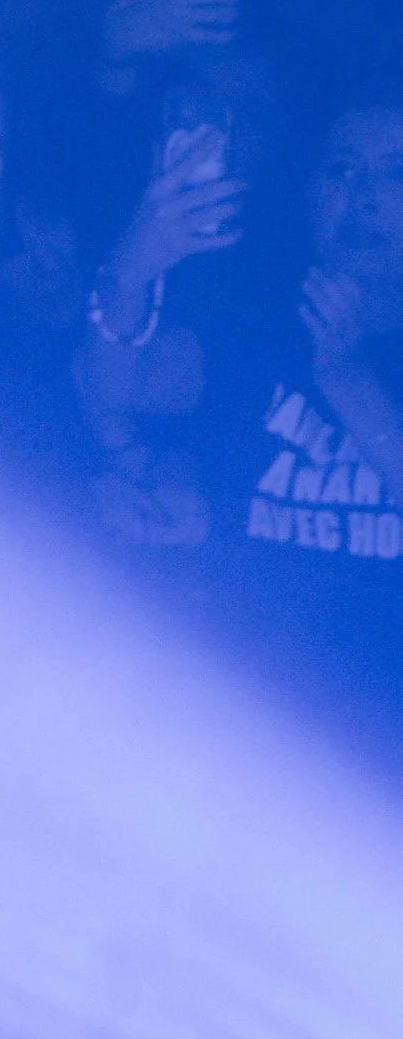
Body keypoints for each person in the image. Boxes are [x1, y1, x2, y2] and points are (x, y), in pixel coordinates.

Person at [78, 83, 403, 744]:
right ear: (310, 193)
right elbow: (119, 386)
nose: (365, 195)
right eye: (342, 170)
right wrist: (132, 269)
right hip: (233, 702)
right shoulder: (259, 321)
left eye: (395, 171)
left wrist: (346, 379)